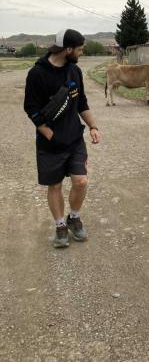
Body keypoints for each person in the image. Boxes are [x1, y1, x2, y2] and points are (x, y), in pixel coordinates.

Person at [24, 28, 101, 248]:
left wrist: (93, 126)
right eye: (79, 49)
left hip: (75, 139)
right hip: (50, 144)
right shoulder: (37, 74)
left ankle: (74, 218)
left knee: (81, 181)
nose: (81, 53)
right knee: (55, 186)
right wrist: (46, 131)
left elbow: (82, 102)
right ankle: (60, 226)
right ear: (67, 49)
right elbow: (30, 107)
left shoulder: (74, 72)